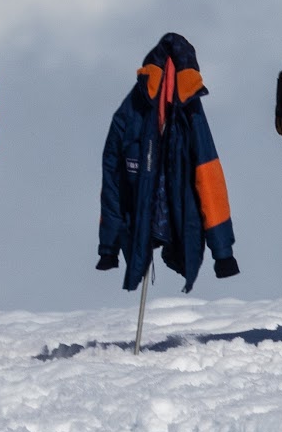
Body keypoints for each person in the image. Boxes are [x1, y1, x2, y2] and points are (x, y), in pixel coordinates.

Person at [98, 30, 240, 297]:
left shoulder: (145, 111)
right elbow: (209, 181)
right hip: (152, 217)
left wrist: (223, 253)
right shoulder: (137, 112)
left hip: (163, 216)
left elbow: (112, 182)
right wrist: (108, 245)